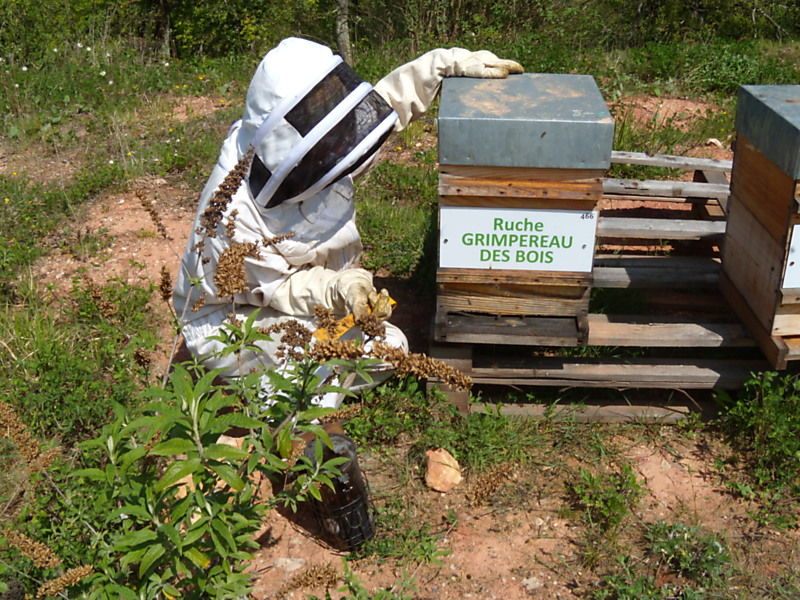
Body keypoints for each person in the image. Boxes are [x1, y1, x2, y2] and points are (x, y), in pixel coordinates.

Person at [173, 37, 523, 406]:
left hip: (299, 289)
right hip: (231, 317)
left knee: (377, 346)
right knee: (360, 356)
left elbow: (381, 111)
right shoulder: (233, 215)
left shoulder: (305, 145)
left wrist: (439, 66)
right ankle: (290, 435)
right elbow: (276, 289)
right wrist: (341, 288)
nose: (336, 146)